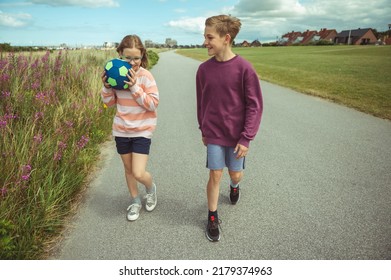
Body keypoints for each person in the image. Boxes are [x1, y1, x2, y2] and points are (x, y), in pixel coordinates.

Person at [196, 15, 263, 241]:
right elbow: (201, 102)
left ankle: (235, 186)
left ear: (226, 38)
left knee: (235, 173)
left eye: (209, 37)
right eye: (205, 36)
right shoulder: (203, 70)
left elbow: (254, 106)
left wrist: (246, 138)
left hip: (237, 136)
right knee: (215, 174)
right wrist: (202, 129)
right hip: (214, 132)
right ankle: (212, 216)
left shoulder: (244, 69)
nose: (205, 42)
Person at [101, 35, 159, 221]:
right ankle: (135, 201)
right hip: (121, 130)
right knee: (128, 170)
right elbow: (108, 103)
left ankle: (150, 189)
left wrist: (134, 88)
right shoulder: (115, 75)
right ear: (120, 55)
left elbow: (152, 104)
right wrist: (106, 87)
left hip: (142, 130)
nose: (132, 62)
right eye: (128, 58)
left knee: (138, 172)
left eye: (136, 58)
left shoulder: (146, 76)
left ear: (142, 56)